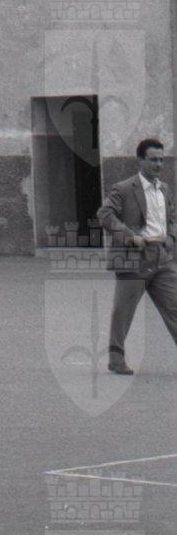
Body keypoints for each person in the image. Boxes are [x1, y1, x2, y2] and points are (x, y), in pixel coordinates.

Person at [97, 137, 177, 376]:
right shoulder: (123, 188)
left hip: (161, 258)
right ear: (140, 160)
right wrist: (130, 236)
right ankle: (116, 359)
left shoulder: (164, 189)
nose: (158, 164)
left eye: (161, 160)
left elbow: (172, 217)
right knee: (123, 313)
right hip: (133, 258)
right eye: (153, 160)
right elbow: (105, 214)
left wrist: (171, 237)